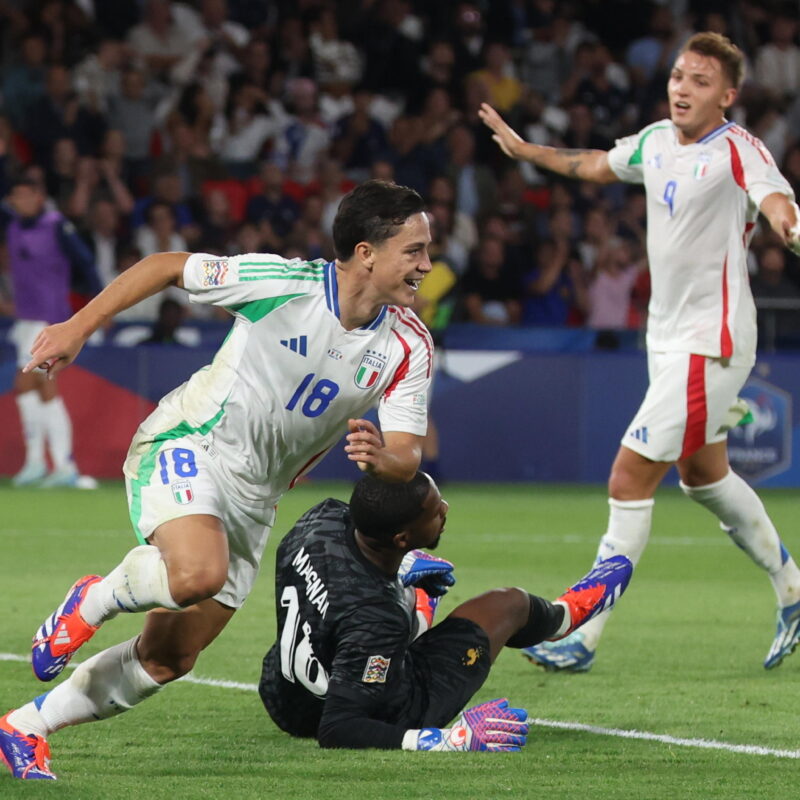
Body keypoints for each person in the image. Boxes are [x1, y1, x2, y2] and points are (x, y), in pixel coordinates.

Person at [0, 180, 435, 780]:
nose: (427, 265)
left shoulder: (409, 344)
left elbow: (408, 453)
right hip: (192, 441)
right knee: (196, 574)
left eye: (426, 251)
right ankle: (94, 597)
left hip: (258, 498)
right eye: (413, 250)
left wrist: (383, 457)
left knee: (169, 657)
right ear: (366, 251)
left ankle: (24, 726)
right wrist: (77, 327)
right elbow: (165, 266)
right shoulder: (284, 283)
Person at [479, 32, 800, 672]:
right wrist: (523, 150)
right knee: (704, 476)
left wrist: (791, 228)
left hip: (712, 344)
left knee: (628, 476)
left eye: (700, 81)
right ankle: (794, 592)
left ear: (728, 95)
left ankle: (584, 631)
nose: (683, 87)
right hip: (668, 342)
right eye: (679, 75)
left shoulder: (739, 149)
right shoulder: (654, 141)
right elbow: (596, 163)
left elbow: (777, 201)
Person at [258, 471, 632, 751]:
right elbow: (338, 729)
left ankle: (411, 592)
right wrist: (449, 739)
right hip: (372, 708)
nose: (445, 509)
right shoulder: (375, 616)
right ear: (401, 538)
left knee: (375, 618)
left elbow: (347, 595)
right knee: (509, 604)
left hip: (282, 693)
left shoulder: (318, 521)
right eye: (435, 512)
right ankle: (566, 617)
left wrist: (398, 570)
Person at [4, 178, 100, 488]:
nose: (20, 201)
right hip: (26, 319)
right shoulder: (13, 226)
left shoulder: (56, 224)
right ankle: (38, 462)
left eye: (25, 195)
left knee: (42, 383)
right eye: (15, 196)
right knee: (26, 386)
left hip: (49, 319)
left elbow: (85, 262)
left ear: (39, 196)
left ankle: (63, 465)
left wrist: (100, 305)